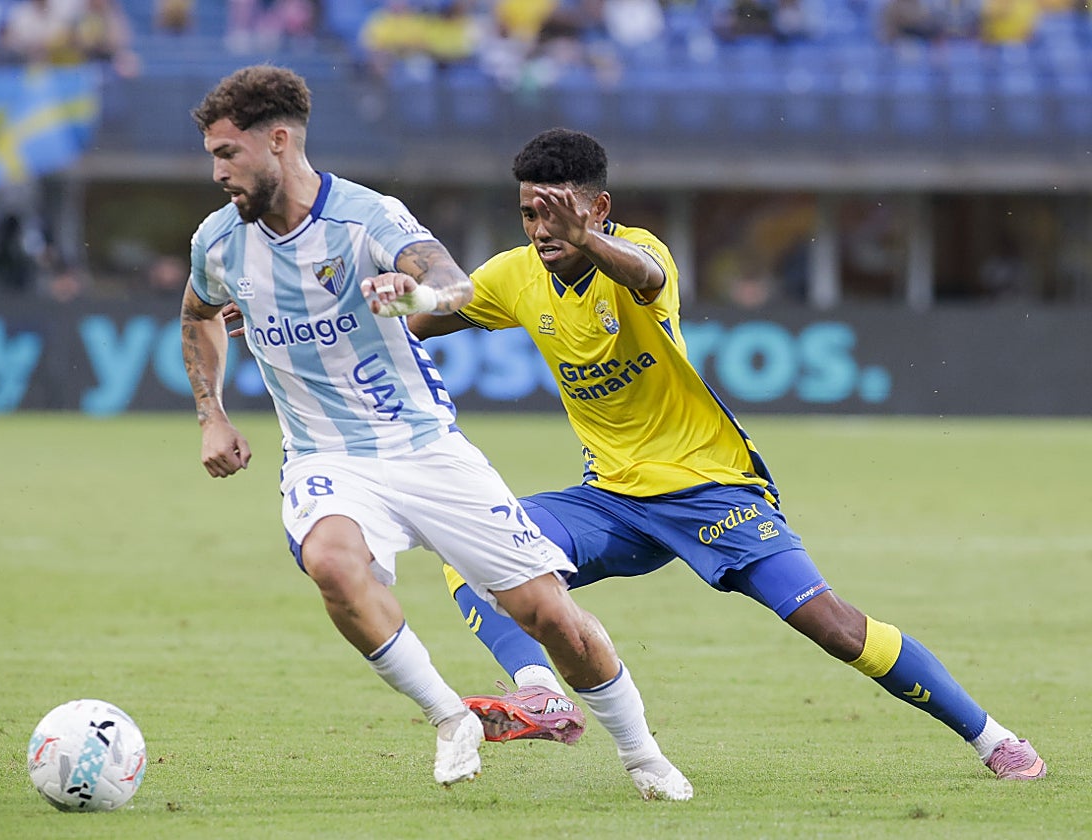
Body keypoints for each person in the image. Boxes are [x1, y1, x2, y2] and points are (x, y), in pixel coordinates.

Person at [406, 127, 1048, 783]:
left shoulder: (638, 254)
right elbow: (422, 320)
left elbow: (645, 273)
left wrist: (587, 240)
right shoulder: (516, 275)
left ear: (599, 209)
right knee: (477, 546)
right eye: (530, 214)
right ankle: (540, 690)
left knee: (830, 625)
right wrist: (383, 310)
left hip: (708, 488)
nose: (543, 229)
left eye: (560, 212)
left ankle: (995, 739)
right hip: (614, 500)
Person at [178, 66, 692, 800]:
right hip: (327, 456)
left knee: (550, 617)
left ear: (279, 142)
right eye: (213, 155)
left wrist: (410, 290)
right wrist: (213, 414)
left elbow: (452, 284)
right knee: (330, 561)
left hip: (424, 447)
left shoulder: (366, 218)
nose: (218, 170)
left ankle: (642, 755)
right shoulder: (219, 241)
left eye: (227, 153)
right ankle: (450, 716)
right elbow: (199, 312)